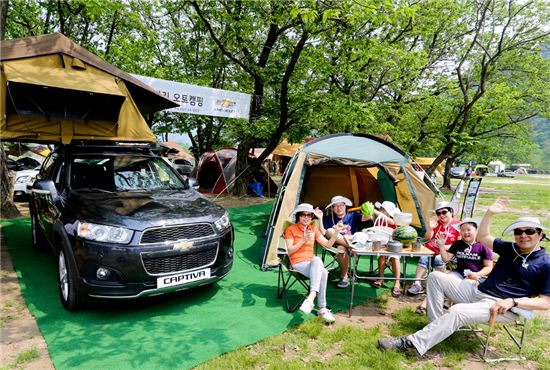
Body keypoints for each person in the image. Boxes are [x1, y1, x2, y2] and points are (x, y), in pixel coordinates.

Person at [378, 197, 550, 356]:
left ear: (540, 235)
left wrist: (513, 301)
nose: (523, 235)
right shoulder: (510, 248)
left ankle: (411, 344)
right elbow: (482, 237)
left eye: (530, 231)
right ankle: (436, 328)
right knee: (435, 277)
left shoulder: (545, 264)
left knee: (457, 310)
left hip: (501, 306)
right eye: (519, 231)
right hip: (478, 291)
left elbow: (545, 303)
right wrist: (489, 213)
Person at [284, 203, 345, 323]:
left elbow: (327, 244)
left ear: (312, 217)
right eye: (303, 215)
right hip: (297, 263)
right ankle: (320, 307)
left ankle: (312, 301)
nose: (306, 217)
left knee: (321, 267)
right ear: (298, 216)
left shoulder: (313, 229)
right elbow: (290, 250)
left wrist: (336, 232)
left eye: (309, 215)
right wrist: (303, 240)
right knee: (321, 267)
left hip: (311, 264)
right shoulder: (290, 229)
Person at [408, 201, 461, 313]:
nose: (441, 215)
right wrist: (431, 227)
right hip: (432, 250)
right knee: (423, 257)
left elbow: (460, 244)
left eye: (444, 212)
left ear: (451, 212)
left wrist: (445, 246)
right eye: (438, 213)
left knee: (438, 259)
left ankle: (437, 285)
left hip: (447, 253)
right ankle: (417, 284)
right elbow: (427, 238)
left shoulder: (457, 226)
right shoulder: (437, 224)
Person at [315, 195, 374, 288]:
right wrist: (320, 218)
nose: (339, 208)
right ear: (332, 208)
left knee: (341, 246)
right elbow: (324, 234)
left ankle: (344, 276)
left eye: (341, 205)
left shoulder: (353, 216)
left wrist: (367, 209)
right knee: (331, 233)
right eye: (335, 206)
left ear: (345, 205)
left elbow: (367, 218)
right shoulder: (329, 218)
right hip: (336, 246)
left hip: (351, 245)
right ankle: (344, 274)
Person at [439, 217, 493, 284]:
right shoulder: (457, 244)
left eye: (468, 230)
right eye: (462, 230)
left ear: (476, 231)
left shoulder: (484, 245)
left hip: (476, 274)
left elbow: (488, 266)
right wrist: (441, 246)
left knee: (467, 284)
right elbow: (446, 259)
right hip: (458, 273)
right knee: (447, 281)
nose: (465, 232)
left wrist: (478, 274)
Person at [371, 201, 402, 297]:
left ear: (389, 212)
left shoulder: (395, 220)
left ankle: (397, 282)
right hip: (383, 247)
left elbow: (392, 222)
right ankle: (381, 278)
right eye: (380, 209)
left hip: (395, 247)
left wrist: (375, 211)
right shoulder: (379, 220)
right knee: (381, 255)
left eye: (383, 209)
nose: (380, 211)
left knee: (394, 256)